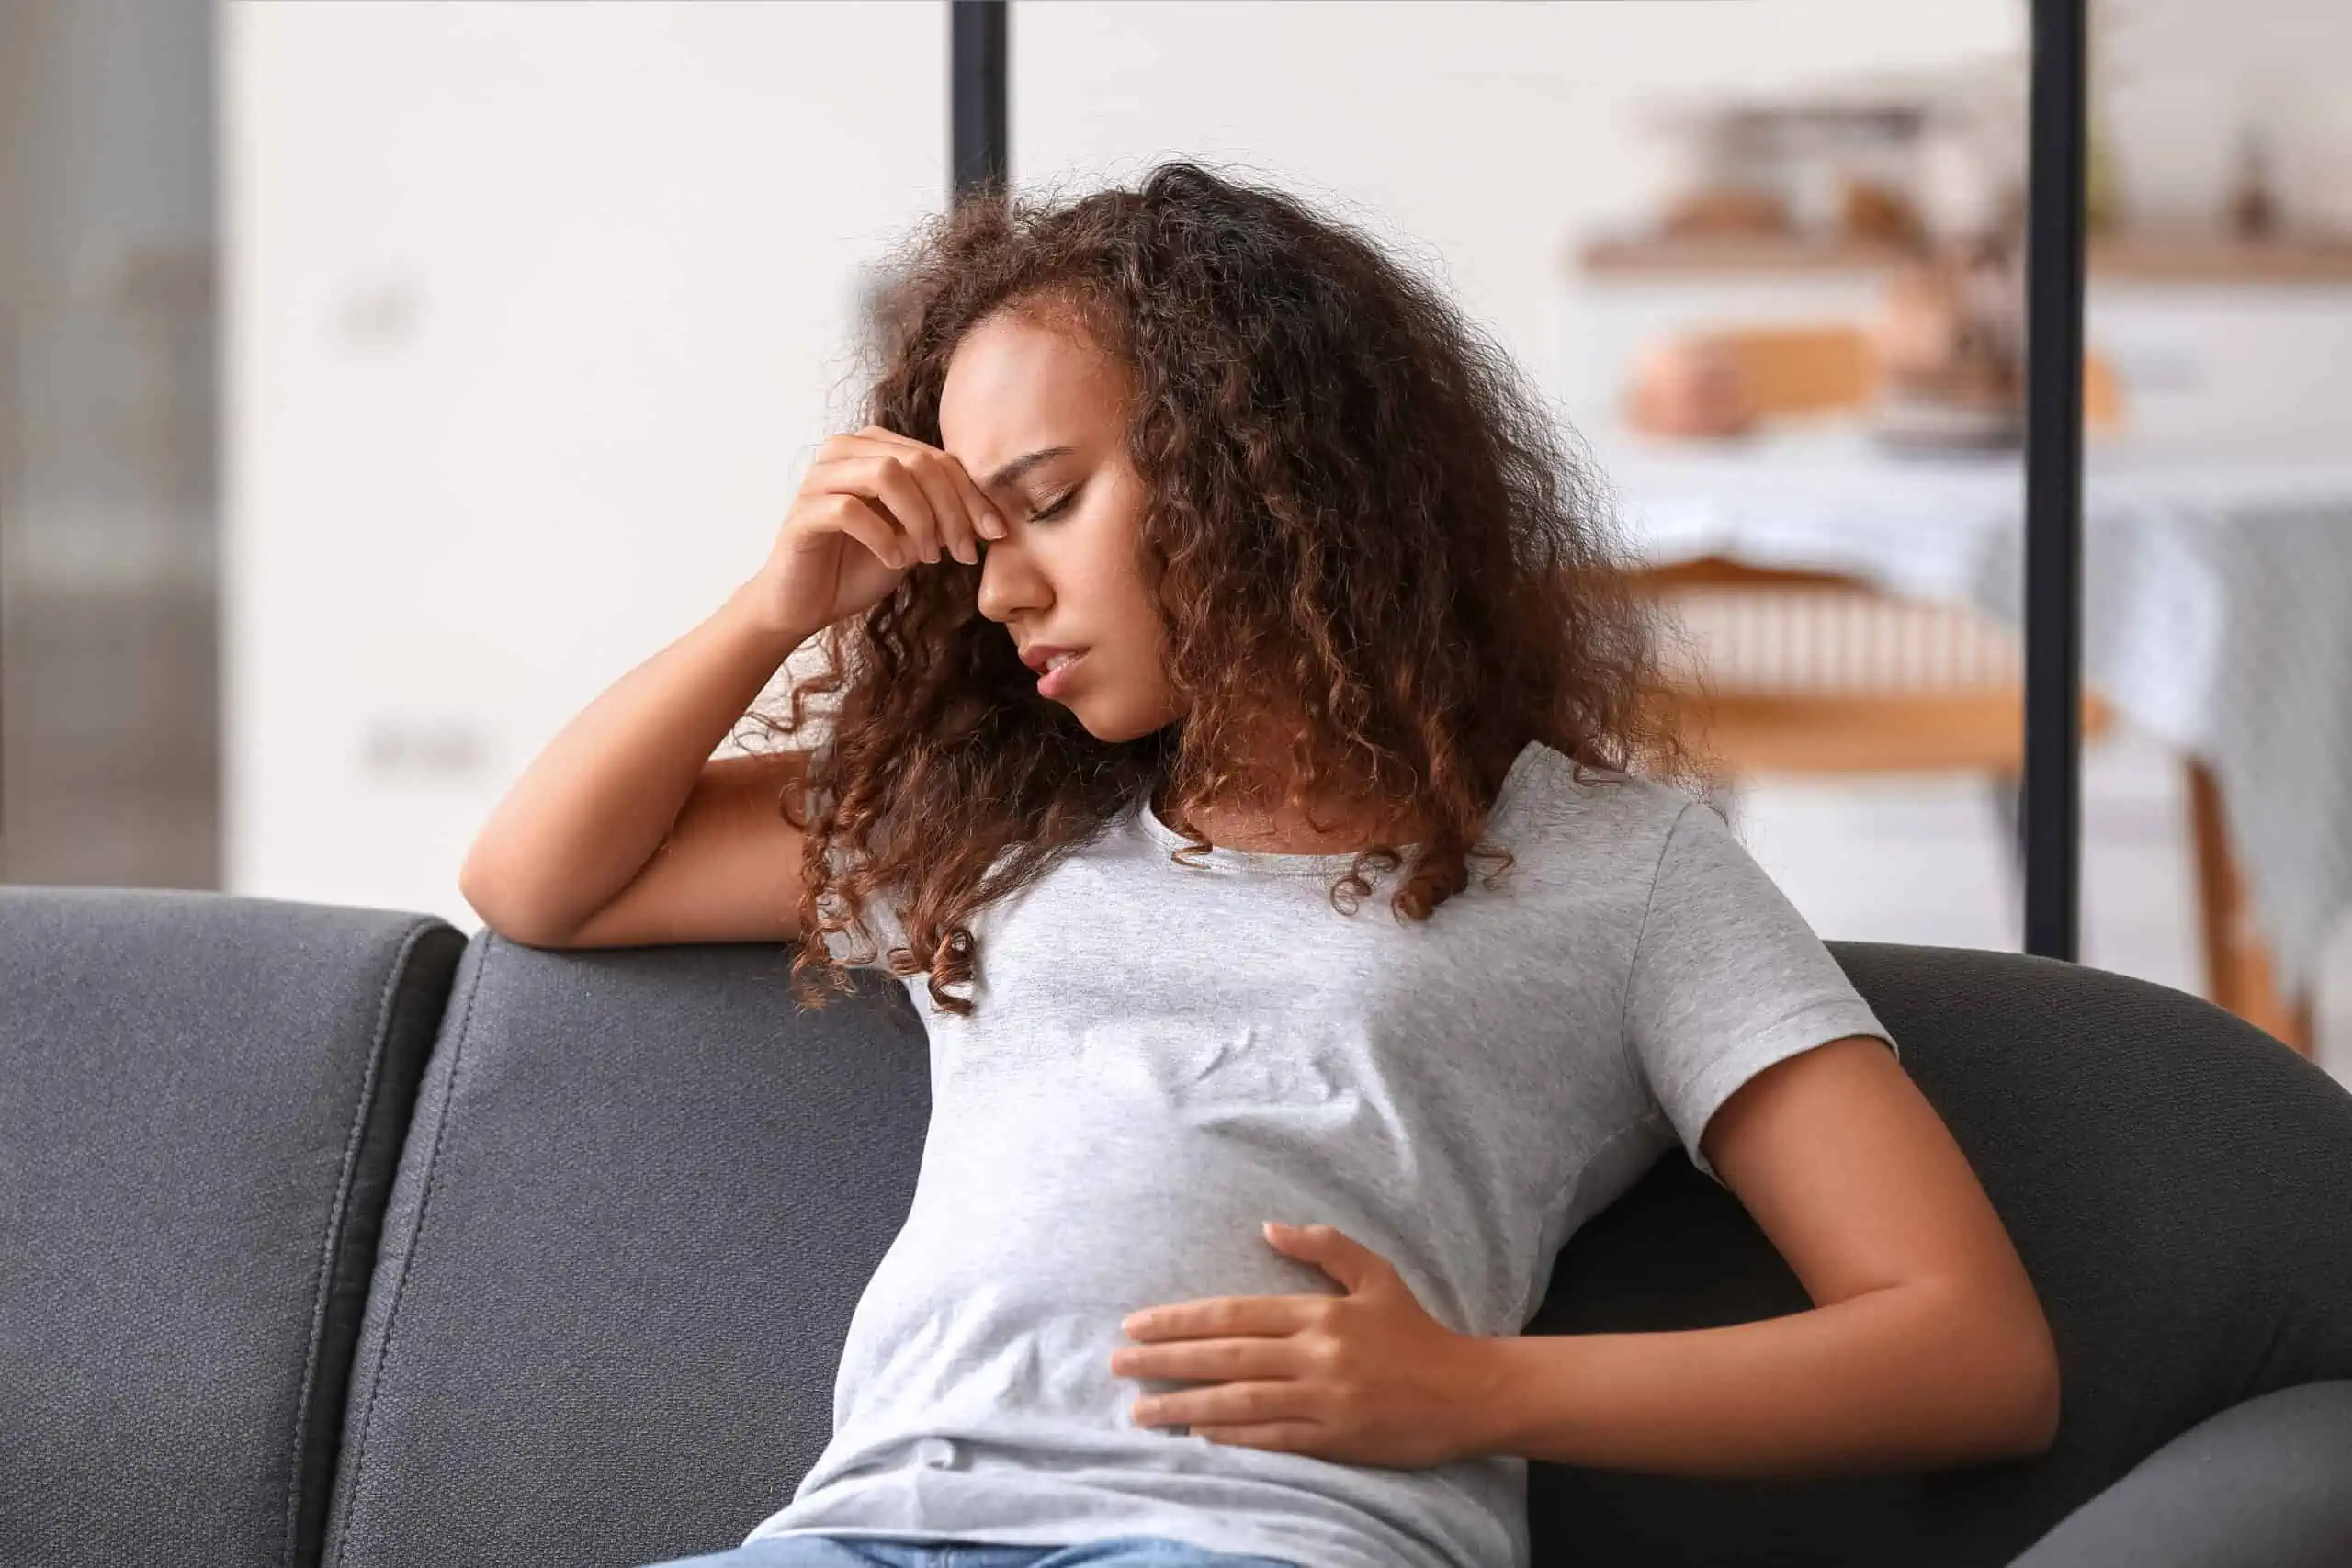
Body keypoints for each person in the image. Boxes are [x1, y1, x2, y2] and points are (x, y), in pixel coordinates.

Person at [458, 161, 2060, 1568]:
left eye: (1050, 503)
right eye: (976, 541)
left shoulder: (1619, 869)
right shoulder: (992, 816)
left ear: (1257, 468)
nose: (1001, 592)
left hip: (1256, 1534)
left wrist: (1477, 1390)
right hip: (872, 1526)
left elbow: (1972, 1350)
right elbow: (542, 883)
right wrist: (774, 608)